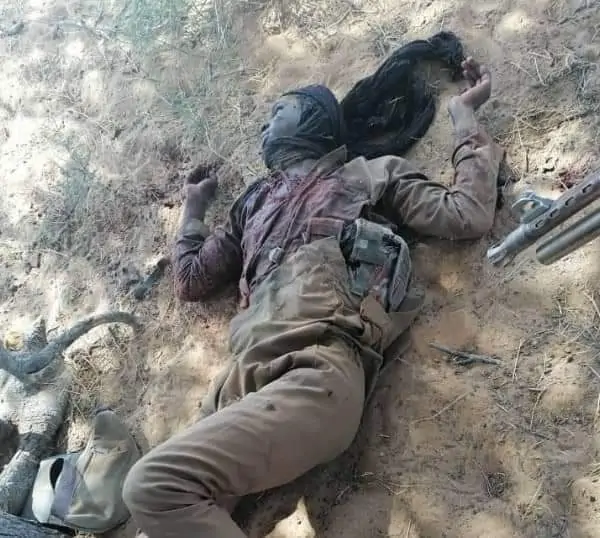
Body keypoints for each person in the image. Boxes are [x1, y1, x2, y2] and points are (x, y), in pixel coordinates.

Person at [122, 57, 504, 537]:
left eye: (278, 112)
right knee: (156, 521)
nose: (264, 127)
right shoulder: (251, 203)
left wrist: (464, 116)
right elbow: (192, 280)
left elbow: (465, 213)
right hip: (238, 383)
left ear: (314, 120)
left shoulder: (369, 176)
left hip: (315, 369)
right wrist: (193, 210)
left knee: (152, 487)